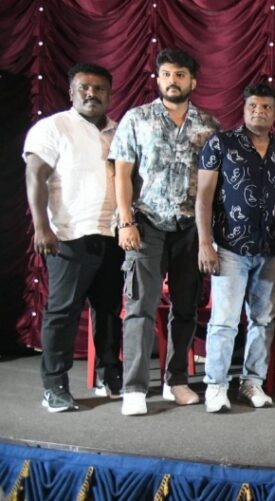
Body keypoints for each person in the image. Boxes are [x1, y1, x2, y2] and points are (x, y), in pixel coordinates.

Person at [110, 48, 220, 416]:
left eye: (180, 75)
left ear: (193, 82)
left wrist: (208, 237)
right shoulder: (136, 119)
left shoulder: (209, 126)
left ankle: (176, 382)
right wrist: (126, 222)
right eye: (167, 74)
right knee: (140, 307)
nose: (173, 81)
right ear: (158, 79)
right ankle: (135, 387)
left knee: (186, 308)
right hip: (147, 224)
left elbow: (214, 186)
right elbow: (122, 174)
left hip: (190, 228)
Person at [24, 63, 124, 411]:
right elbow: (35, 175)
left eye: (99, 88)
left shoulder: (118, 131)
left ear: (109, 94)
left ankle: (109, 376)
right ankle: (54, 385)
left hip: (111, 234)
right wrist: (41, 226)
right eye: (84, 87)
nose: (92, 94)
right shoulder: (53, 127)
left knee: (108, 310)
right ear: (71, 92)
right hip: (68, 236)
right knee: (63, 313)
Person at [196, 82, 275, 413]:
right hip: (229, 247)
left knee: (263, 321)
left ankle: (252, 382)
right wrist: (205, 242)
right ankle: (216, 385)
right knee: (224, 320)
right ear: (244, 109)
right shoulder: (221, 144)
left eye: (266, 107)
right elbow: (203, 197)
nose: (258, 112)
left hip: (272, 250)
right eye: (253, 106)